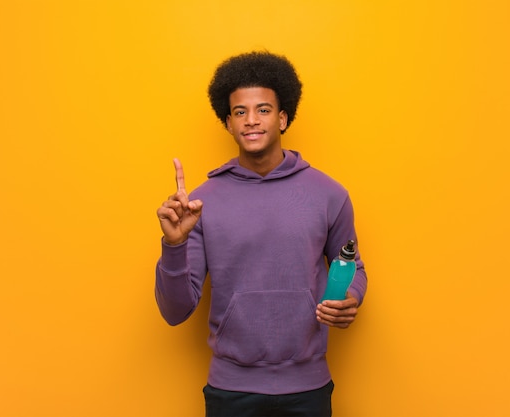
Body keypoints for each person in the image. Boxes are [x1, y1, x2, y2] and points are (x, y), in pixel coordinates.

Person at [155, 51, 367, 417]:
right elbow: (175, 311)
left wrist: (350, 297)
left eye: (264, 109)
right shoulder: (200, 203)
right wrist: (174, 245)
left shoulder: (329, 194)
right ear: (228, 123)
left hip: (308, 388)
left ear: (283, 118)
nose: (251, 120)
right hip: (230, 390)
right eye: (240, 112)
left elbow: (353, 266)